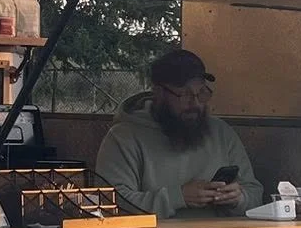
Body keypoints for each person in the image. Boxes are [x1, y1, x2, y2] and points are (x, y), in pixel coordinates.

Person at [93, 48, 264, 218]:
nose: (195, 103)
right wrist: (177, 198)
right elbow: (110, 204)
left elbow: (255, 196)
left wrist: (238, 199)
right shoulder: (124, 137)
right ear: (159, 93)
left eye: (201, 93)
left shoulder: (222, 133)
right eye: (184, 94)